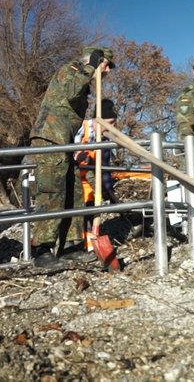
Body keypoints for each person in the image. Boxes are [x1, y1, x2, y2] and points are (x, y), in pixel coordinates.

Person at [28, 46, 114, 267]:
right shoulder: (72, 69)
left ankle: (70, 246)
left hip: (64, 141)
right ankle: (42, 249)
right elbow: (70, 91)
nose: (108, 72)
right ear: (95, 61)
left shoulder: (83, 78)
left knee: (74, 188)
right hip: (50, 138)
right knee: (52, 191)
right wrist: (91, 67)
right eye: (106, 65)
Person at [74, 99, 120, 252]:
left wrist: (112, 196)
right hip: (73, 179)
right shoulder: (81, 129)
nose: (112, 127)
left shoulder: (104, 140)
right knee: (81, 205)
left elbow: (104, 172)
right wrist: (77, 156)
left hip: (90, 180)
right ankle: (75, 243)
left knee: (94, 203)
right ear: (98, 120)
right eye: (110, 122)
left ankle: (91, 242)